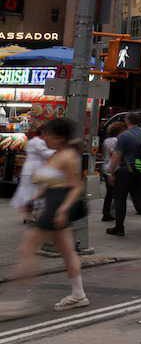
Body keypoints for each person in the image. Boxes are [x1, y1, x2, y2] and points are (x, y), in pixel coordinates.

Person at [0, 119, 87, 318]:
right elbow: (51, 183)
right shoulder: (57, 155)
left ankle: (19, 301)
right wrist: (33, 199)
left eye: (47, 134)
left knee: (26, 250)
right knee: (67, 252)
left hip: (55, 209)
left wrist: (62, 210)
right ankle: (78, 293)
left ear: (60, 137)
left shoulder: (67, 156)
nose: (44, 137)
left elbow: (75, 187)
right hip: (53, 208)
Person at [105, 113, 141, 238]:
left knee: (120, 198)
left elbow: (117, 156)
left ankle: (119, 228)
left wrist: (111, 172)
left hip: (125, 171)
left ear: (128, 121)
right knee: (140, 198)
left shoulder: (124, 135)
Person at [10, 129, 54, 224]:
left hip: (27, 169)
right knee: (36, 193)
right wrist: (57, 151)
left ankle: (28, 215)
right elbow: (46, 153)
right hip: (36, 170)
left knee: (28, 193)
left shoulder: (30, 142)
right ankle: (31, 214)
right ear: (43, 133)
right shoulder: (40, 142)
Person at [99, 122, 124, 223]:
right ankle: (112, 212)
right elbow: (115, 155)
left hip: (106, 167)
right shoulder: (115, 141)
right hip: (114, 168)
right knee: (116, 193)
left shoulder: (107, 140)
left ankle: (107, 212)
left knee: (109, 192)